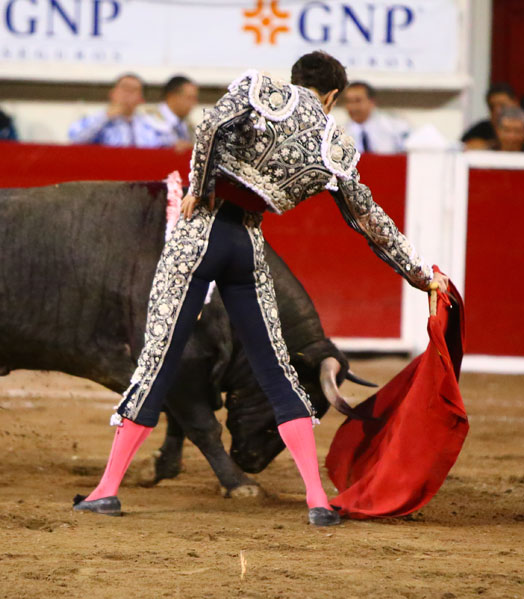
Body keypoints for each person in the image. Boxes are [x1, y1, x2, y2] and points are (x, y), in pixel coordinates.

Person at [72, 51, 449, 527]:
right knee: (277, 373)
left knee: (158, 362)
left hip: (198, 233)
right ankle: (316, 499)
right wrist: (420, 274)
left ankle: (106, 490)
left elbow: (210, 127)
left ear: (297, 79)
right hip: (247, 246)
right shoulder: (335, 143)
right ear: (331, 95)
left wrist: (200, 185)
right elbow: (370, 221)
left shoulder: (261, 88)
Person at [68, 74, 170, 148]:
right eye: (124, 88)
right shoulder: (96, 119)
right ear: (112, 93)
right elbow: (75, 139)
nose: (127, 94)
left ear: (141, 99)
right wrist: (106, 116)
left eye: (133, 90)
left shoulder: (150, 124)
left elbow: (167, 145)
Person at [341, 81, 408, 154]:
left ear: (371, 102)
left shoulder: (394, 128)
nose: (352, 107)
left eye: (358, 101)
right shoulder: (341, 135)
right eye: (348, 101)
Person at [145, 75, 199, 151]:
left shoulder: (189, 126)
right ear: (171, 96)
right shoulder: (149, 121)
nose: (193, 103)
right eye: (189, 98)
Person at [462, 83, 518, 150]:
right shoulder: (481, 129)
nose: (497, 111)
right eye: (492, 107)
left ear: (515, 102)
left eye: (503, 105)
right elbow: (462, 147)